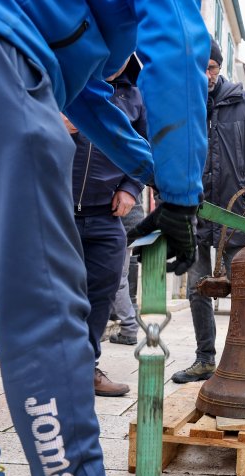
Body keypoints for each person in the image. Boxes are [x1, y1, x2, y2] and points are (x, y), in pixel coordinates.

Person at [0, 1, 208, 476]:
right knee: (41, 295)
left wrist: (151, 169)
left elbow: (84, 96)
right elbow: (178, 37)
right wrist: (181, 192)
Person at [172, 38, 245, 384]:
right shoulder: (186, 103)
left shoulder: (242, 102)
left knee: (243, 290)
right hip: (195, 212)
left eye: (211, 68)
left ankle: (243, 362)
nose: (206, 76)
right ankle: (204, 359)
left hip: (236, 211)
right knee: (196, 288)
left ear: (219, 67)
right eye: (199, 70)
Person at [66, 57, 146, 397]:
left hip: (106, 215)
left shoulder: (136, 98)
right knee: (54, 295)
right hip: (56, 210)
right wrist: (52, 122)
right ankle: (50, 370)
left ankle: (85, 370)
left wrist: (131, 187)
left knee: (101, 293)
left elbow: (146, 149)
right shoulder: (64, 78)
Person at [108, 199, 145, 346]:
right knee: (120, 277)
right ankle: (129, 327)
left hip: (123, 223)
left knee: (117, 279)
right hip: (131, 222)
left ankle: (129, 328)